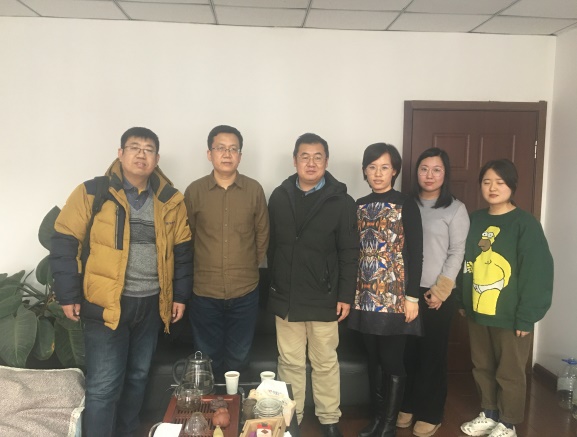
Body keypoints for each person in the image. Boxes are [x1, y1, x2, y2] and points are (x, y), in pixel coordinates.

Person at [50, 127, 193, 437]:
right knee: (104, 385)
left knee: (138, 377)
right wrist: (68, 294)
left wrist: (179, 296)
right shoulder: (93, 192)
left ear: (157, 159)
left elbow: (182, 252)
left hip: (151, 304)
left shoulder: (170, 199)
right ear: (120, 153)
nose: (141, 154)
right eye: (134, 147)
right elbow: (64, 240)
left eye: (149, 149)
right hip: (106, 305)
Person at [267, 133, 359, 437]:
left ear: (326, 162)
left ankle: (329, 418)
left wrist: (345, 294)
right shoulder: (279, 197)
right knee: (289, 363)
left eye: (317, 157)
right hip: (287, 296)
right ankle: (292, 417)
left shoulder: (342, 201)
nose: (311, 162)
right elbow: (272, 247)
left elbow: (349, 252)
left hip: (324, 296)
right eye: (304, 156)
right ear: (294, 161)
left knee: (325, 362)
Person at [458, 159, 553, 437]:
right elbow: (465, 262)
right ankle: (489, 413)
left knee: (510, 371)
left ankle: (508, 423)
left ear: (512, 185)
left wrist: (527, 316)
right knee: (482, 366)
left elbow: (537, 272)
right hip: (478, 311)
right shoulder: (474, 219)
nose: (493, 188)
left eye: (500, 182)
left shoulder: (525, 224)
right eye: (487, 182)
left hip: (511, 315)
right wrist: (462, 301)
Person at [184, 125, 269, 380]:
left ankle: (234, 403)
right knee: (206, 359)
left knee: (239, 360)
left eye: (233, 149)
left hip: (245, 291)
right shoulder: (194, 191)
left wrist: (246, 267)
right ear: (209, 153)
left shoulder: (254, 190)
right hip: (204, 291)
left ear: (240, 156)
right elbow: (187, 237)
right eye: (220, 148)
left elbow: (262, 235)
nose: (227, 154)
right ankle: (209, 405)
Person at [349, 143, 423, 437]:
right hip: (365, 294)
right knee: (374, 360)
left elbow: (415, 253)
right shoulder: (358, 205)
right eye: (372, 167)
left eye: (384, 167)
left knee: (392, 360)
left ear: (394, 171)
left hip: (395, 295)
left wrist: (412, 297)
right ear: (364, 171)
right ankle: (377, 420)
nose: (378, 173)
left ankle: (389, 425)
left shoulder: (406, 204)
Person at [397, 148, 470, 437]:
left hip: (436, 293)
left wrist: (441, 291)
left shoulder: (455, 209)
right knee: (407, 353)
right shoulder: (406, 204)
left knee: (432, 354)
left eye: (436, 169)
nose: (429, 175)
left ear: (445, 174)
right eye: (424, 169)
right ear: (416, 172)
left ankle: (431, 412)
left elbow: (457, 252)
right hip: (406, 291)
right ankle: (407, 404)